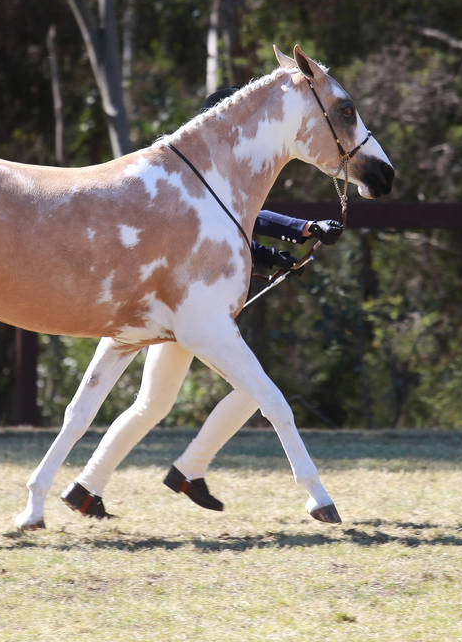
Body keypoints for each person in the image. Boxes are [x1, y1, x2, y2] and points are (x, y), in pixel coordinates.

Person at [61, 88, 343, 518]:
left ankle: (89, 486)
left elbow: (235, 230)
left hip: (183, 304)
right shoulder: (192, 170)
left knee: (154, 403)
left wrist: (275, 257)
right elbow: (230, 227)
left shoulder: (216, 170)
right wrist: (299, 229)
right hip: (180, 303)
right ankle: (187, 469)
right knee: (249, 390)